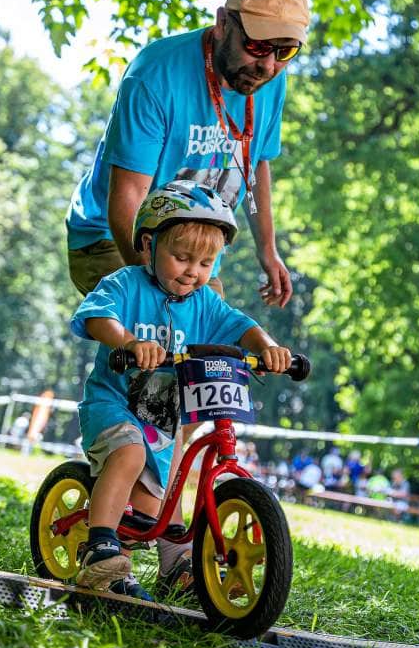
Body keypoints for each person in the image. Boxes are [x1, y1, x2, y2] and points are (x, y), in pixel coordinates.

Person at [70, 181, 292, 600]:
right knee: (130, 453)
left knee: (170, 487)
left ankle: (179, 567)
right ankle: (101, 556)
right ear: (148, 244)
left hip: (164, 419)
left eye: (206, 262)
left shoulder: (204, 302)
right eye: (182, 257)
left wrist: (269, 349)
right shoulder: (126, 283)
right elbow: (98, 316)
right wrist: (130, 342)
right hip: (113, 405)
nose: (193, 270)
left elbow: (242, 325)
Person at [66, 0, 310, 304]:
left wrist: (268, 249)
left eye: (284, 53)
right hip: (109, 238)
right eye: (256, 46)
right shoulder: (154, 75)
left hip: (191, 252)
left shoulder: (270, 83)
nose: (267, 66)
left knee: (209, 347)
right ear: (223, 22)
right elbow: (127, 197)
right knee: (150, 340)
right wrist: (152, 294)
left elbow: (254, 166)